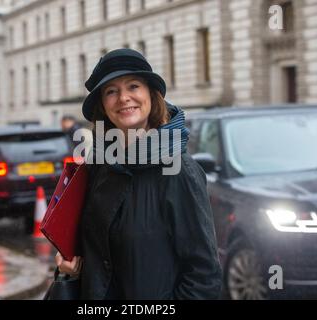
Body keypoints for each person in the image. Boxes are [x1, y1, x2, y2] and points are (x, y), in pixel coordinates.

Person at [55, 48, 222, 299]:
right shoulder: (99, 167)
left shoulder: (178, 171)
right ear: (103, 104)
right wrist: (71, 270)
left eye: (133, 86)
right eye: (111, 91)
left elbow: (203, 276)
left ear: (151, 96)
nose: (123, 98)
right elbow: (96, 253)